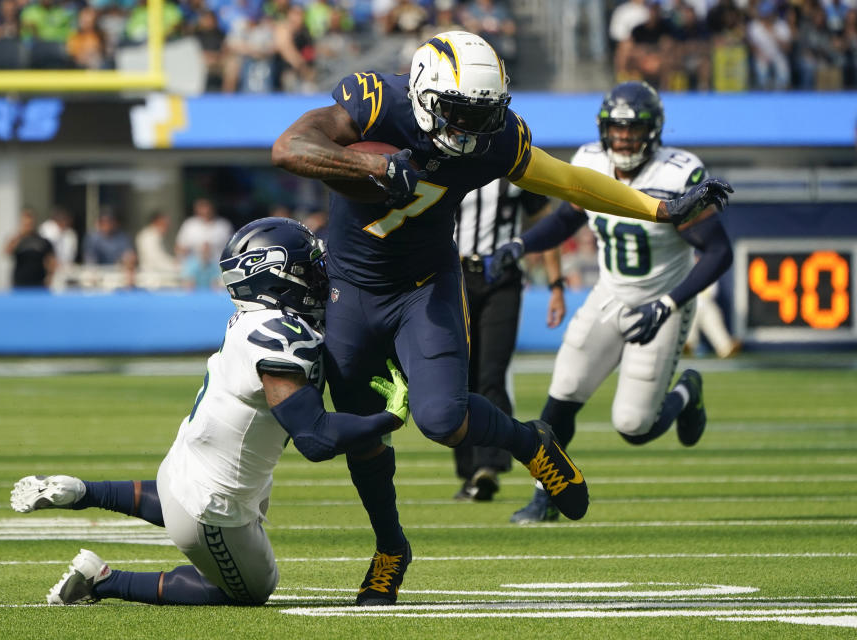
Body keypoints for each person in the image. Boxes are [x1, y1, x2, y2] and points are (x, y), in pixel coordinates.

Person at [271, 30, 731, 604]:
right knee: (361, 437)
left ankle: (529, 441)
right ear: (424, 95)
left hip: (424, 287)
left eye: (483, 113)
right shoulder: (376, 103)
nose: (470, 127)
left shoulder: (496, 138)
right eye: (459, 111)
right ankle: (390, 548)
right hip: (348, 290)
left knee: (441, 418)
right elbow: (288, 148)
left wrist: (660, 209)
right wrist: (374, 171)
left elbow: (566, 179)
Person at [10, 218, 410, 607]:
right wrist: (389, 418)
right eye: (310, 268)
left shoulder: (254, 321)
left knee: (199, 496)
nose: (321, 277)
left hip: (181, 472)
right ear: (279, 277)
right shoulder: (281, 336)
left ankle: (84, 492)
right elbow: (315, 438)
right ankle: (105, 581)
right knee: (251, 590)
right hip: (212, 508)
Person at [488, 81, 734, 523]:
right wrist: (521, 246)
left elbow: (719, 252)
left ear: (653, 131)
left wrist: (668, 306)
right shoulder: (590, 161)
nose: (623, 139)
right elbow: (566, 218)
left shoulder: (677, 174)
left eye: (633, 129)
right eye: (617, 129)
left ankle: (686, 392)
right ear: (604, 130)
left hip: (662, 305)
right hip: (609, 296)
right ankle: (547, 495)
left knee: (634, 427)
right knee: (561, 394)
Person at [451, 179, 566, 502]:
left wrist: (556, 284)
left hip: (501, 278)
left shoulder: (510, 165)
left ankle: (488, 465)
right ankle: (469, 470)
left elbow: (546, 221)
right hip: (452, 278)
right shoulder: (447, 160)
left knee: (492, 373)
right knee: (459, 376)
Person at [6, 207, 55, 289]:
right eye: (26, 223)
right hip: (20, 283)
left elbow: (51, 261)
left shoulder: (42, 241)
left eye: (30, 222)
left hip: (39, 283)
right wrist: (20, 235)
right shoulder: (17, 240)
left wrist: (50, 277)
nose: (28, 225)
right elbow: (7, 251)